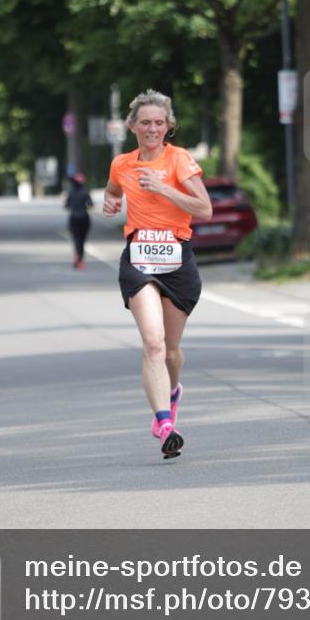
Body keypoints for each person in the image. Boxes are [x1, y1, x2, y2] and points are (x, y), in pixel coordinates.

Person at [103, 89, 213, 460]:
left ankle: (173, 392)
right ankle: (166, 425)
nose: (152, 129)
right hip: (138, 260)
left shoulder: (179, 160)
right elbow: (113, 190)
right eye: (146, 122)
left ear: (168, 127)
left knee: (170, 352)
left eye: (159, 123)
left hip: (177, 262)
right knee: (153, 344)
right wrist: (111, 201)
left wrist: (164, 188)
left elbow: (204, 209)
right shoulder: (121, 164)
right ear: (132, 126)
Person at [65, 172, 93, 269]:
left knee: (76, 239)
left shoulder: (71, 193)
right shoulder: (86, 192)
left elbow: (66, 206)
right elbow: (91, 204)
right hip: (84, 218)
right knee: (82, 240)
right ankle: (80, 258)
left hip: (73, 218)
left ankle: (78, 257)